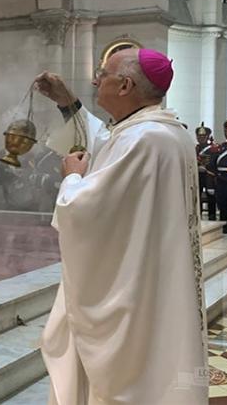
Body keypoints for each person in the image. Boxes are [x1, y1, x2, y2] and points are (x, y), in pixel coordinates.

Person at [35, 48, 207, 405]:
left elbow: (84, 211)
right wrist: (69, 104)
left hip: (135, 287)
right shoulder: (161, 132)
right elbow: (102, 142)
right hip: (155, 277)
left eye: (104, 74)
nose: (96, 80)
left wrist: (71, 180)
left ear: (126, 85)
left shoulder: (143, 139)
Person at [195, 122, 217, 221]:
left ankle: (212, 215)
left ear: (208, 136)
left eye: (203, 136)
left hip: (209, 175)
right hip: (197, 176)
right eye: (199, 136)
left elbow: (214, 162)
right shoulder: (195, 148)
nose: (201, 138)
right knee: (196, 195)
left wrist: (207, 169)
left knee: (211, 196)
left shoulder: (213, 149)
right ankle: (198, 214)